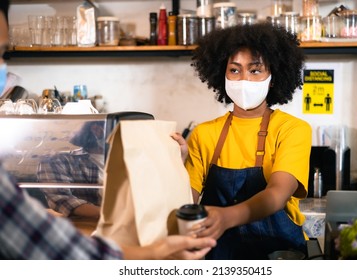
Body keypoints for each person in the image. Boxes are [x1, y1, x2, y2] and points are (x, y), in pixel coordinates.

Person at [0, 0, 216, 260]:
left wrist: (173, 161)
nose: (6, 72)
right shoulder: (59, 161)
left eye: (3, 54)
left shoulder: (124, 157)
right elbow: (64, 233)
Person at [183, 22, 312, 259]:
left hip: (278, 254)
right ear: (222, 74)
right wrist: (173, 167)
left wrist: (226, 217)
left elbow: (277, 194)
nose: (244, 80)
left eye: (255, 70)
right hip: (216, 253)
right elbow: (184, 204)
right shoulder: (204, 134)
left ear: (272, 77)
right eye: (234, 70)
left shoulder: (292, 129)